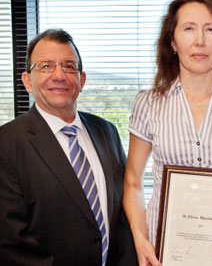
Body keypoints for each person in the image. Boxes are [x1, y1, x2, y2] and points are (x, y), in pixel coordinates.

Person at [123, 0, 212, 266]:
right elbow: (132, 182)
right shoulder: (148, 103)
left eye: (210, 29)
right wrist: (140, 239)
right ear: (173, 42)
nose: (200, 40)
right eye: (189, 28)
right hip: (160, 252)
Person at [0, 29, 138, 266]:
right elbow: (10, 243)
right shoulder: (7, 143)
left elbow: (123, 215)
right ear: (27, 81)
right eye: (46, 67)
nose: (59, 76)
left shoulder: (107, 132)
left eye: (68, 66)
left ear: (81, 80)